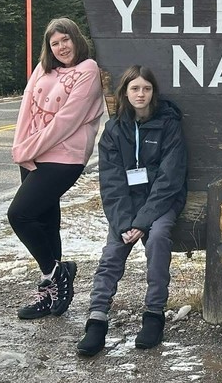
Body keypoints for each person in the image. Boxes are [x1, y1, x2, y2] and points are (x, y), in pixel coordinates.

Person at [76, 66, 187, 356]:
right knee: (112, 252)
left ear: (153, 93)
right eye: (135, 88)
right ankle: (97, 319)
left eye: (146, 89)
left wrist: (143, 220)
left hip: (161, 202)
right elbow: (111, 181)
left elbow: (170, 177)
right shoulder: (114, 129)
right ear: (125, 92)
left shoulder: (169, 124)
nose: (141, 94)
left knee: (159, 238)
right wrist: (126, 222)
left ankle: (153, 314)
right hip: (126, 206)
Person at [9, 17, 105, 320]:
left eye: (66, 40)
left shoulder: (87, 70)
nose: (62, 47)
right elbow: (26, 107)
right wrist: (21, 146)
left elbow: (68, 120)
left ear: (76, 40)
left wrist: (31, 147)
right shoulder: (43, 68)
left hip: (65, 156)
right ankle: (50, 295)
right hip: (32, 153)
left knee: (19, 215)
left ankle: (58, 273)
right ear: (48, 47)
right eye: (55, 42)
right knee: (46, 223)